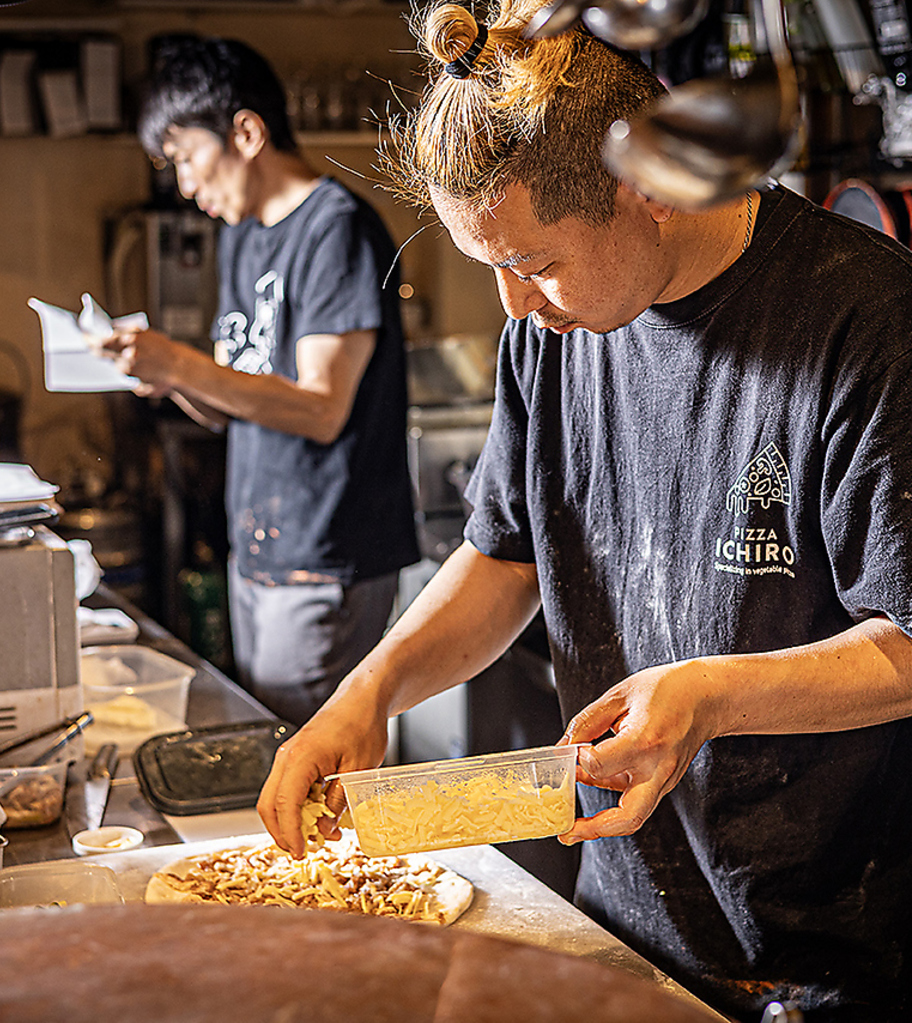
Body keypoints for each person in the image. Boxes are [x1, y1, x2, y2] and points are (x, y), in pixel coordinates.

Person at [257, 5, 912, 1021]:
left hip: (831, 955)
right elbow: (508, 556)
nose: (516, 309)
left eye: (535, 263)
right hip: (621, 925)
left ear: (646, 190)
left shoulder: (865, 321)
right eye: (496, 272)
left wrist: (710, 696)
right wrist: (370, 689)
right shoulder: (550, 337)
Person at [100, 36, 420, 726]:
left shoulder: (335, 230)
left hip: (325, 556)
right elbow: (235, 401)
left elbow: (322, 408)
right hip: (262, 550)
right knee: (273, 741)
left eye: (187, 158)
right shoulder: (244, 231)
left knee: (310, 763)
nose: (185, 185)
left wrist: (182, 363)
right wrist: (169, 378)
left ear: (246, 132)